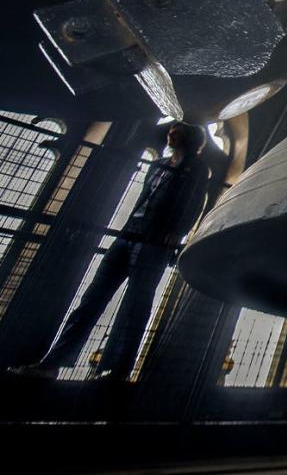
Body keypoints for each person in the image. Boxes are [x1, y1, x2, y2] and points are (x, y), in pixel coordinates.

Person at [8, 122, 210, 380]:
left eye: (178, 130)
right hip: (130, 234)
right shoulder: (158, 163)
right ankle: (53, 363)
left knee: (135, 306)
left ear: (190, 137)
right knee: (92, 299)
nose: (171, 133)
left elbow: (196, 202)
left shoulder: (197, 168)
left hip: (155, 241)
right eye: (171, 130)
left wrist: (178, 231)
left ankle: (118, 370)